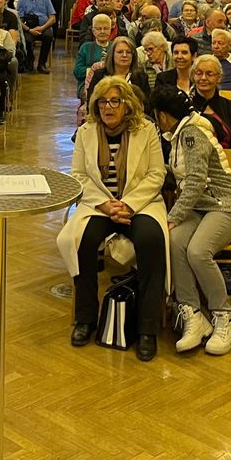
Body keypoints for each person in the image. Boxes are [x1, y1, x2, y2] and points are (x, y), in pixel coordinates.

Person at [57, 78, 168, 362]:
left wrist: (128, 205)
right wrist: (106, 205)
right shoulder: (86, 132)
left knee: (151, 240)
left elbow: (157, 174)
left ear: (127, 104)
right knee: (81, 240)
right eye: (103, 102)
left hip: (139, 204)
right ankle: (85, 318)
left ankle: (147, 328)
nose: (108, 107)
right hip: (99, 204)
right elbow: (79, 175)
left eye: (115, 101)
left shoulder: (146, 130)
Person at [151, 85, 231, 356]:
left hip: (224, 204)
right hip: (200, 207)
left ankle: (224, 317)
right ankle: (193, 313)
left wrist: (173, 216)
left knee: (197, 251)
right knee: (175, 241)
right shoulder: (180, 133)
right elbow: (181, 176)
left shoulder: (192, 134)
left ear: (162, 115)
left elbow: (194, 180)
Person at [189, 55, 231, 158]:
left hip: (229, 162)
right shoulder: (185, 107)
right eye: (199, 73)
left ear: (219, 78)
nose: (203, 78)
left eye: (209, 74)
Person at [84, 36, 150, 115]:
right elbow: (91, 103)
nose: (124, 55)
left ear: (133, 56)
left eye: (128, 52)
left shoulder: (141, 77)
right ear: (112, 54)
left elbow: (147, 107)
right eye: (120, 52)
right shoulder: (100, 75)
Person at [15, 0, 57, 74]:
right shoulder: (22, 1)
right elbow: (19, 20)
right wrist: (29, 30)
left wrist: (42, 28)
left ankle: (42, 64)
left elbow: (53, 18)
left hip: (44, 27)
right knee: (26, 40)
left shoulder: (46, 0)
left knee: (48, 36)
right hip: (29, 28)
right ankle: (29, 60)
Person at [74, 14, 113, 88]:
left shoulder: (115, 46)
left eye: (106, 28)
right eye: (98, 29)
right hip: (88, 85)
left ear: (110, 29)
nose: (102, 31)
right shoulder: (86, 47)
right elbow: (77, 72)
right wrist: (94, 69)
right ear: (93, 31)